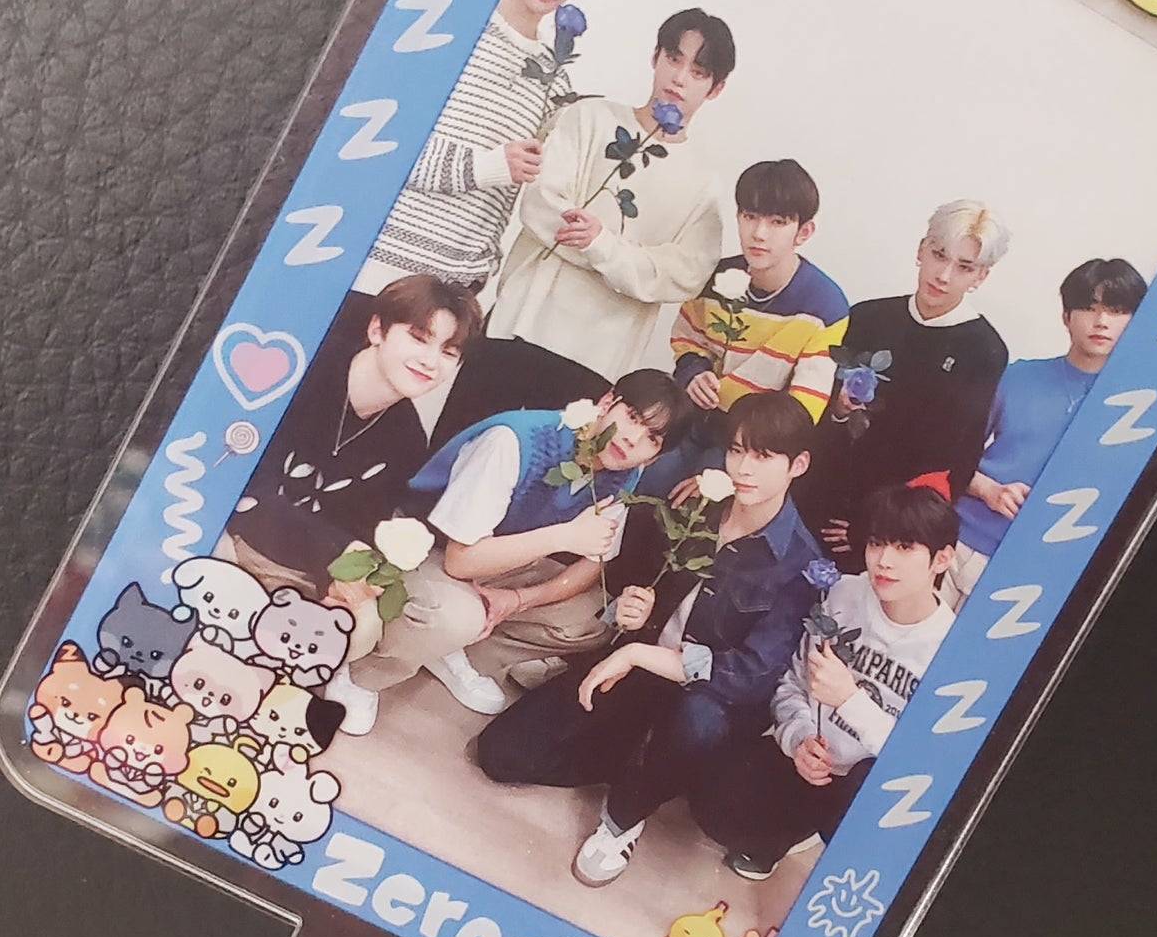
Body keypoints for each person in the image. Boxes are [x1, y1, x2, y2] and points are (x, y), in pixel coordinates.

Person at [474, 392, 821, 889]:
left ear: (798, 465)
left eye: (763, 456)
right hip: (639, 669)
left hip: (708, 699)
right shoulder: (698, 502)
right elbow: (637, 573)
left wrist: (643, 653)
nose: (744, 468)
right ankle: (633, 758)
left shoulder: (799, 564)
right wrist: (630, 610)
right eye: (737, 450)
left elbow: (751, 677)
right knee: (501, 754)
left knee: (700, 721)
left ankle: (625, 814)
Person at [324, 371, 690, 728]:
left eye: (652, 438)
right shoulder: (514, 440)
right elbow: (459, 560)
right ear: (607, 401)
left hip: (503, 558)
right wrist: (562, 537)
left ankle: (457, 652)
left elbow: (594, 561)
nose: (631, 439)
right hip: (429, 546)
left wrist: (517, 599)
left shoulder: (625, 472)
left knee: (598, 617)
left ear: (654, 458)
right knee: (457, 617)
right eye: (631, 417)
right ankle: (363, 676)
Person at [695, 484, 959, 880]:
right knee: (713, 808)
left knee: (865, 790)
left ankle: (828, 840)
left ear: (942, 559)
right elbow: (793, 683)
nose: (884, 561)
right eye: (876, 543)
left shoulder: (951, 648)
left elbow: (920, 764)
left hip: (868, 783)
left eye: (905, 547)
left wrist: (849, 699)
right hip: (810, 758)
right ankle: (784, 835)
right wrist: (798, 738)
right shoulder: (843, 594)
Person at [354, 0, 606, 298]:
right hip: (377, 271)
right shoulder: (444, 31)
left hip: (455, 296)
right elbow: (382, 143)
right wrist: (486, 166)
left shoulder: (555, 82)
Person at [481, 7, 735, 402]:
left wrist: (602, 244)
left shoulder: (704, 185)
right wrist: (615, 259)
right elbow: (540, 203)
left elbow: (685, 274)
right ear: (655, 57)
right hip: (521, 323)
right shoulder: (589, 118)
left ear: (715, 89)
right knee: (463, 439)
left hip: (600, 358)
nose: (679, 78)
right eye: (673, 59)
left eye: (698, 72)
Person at [222, 276, 482, 660]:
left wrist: (338, 584)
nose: (430, 361)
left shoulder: (408, 437)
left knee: (358, 627)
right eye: (418, 338)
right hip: (225, 529)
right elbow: (239, 490)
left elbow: (361, 525)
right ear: (377, 330)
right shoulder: (305, 368)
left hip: (297, 561)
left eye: (448, 352)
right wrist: (337, 551)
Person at [797, 199, 1012, 569]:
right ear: (921, 250)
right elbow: (814, 409)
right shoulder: (867, 317)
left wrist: (874, 529)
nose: (943, 275)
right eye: (939, 255)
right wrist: (838, 410)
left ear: (980, 276)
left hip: (885, 531)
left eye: (963, 267)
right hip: (809, 495)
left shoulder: (984, 351)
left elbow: (952, 462)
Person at [949, 256, 1146, 606]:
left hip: (1034, 573)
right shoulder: (1017, 377)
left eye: (1117, 311)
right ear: (1066, 317)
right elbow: (950, 453)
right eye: (1089, 308)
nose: (1101, 321)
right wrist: (988, 490)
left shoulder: (1136, 408)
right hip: (957, 542)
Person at [669, 157, 850, 422]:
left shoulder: (824, 306)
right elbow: (687, 338)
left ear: (803, 232)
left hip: (759, 435)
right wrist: (694, 372)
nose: (759, 233)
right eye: (750, 217)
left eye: (777, 222)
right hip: (693, 417)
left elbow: (804, 407)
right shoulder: (715, 278)